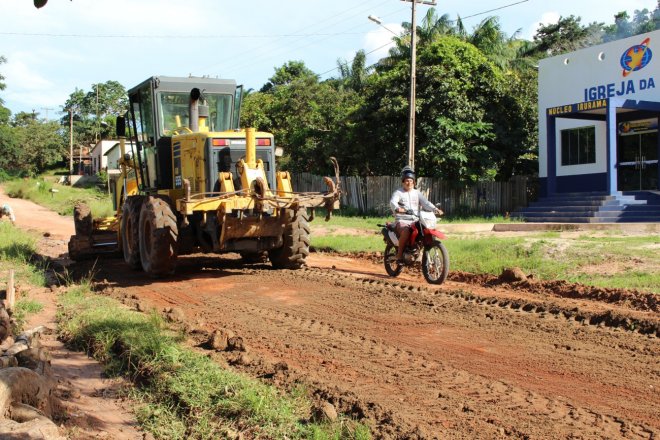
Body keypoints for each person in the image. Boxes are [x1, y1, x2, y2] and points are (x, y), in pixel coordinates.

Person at [389, 167, 442, 263]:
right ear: (403, 181)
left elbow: (426, 203)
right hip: (402, 220)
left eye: (411, 181)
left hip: (416, 219)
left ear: (414, 182)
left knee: (425, 230)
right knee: (406, 231)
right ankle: (399, 255)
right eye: (406, 181)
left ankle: (418, 251)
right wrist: (397, 209)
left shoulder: (417, 193)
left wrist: (435, 209)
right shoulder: (398, 193)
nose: (409, 183)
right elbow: (393, 202)